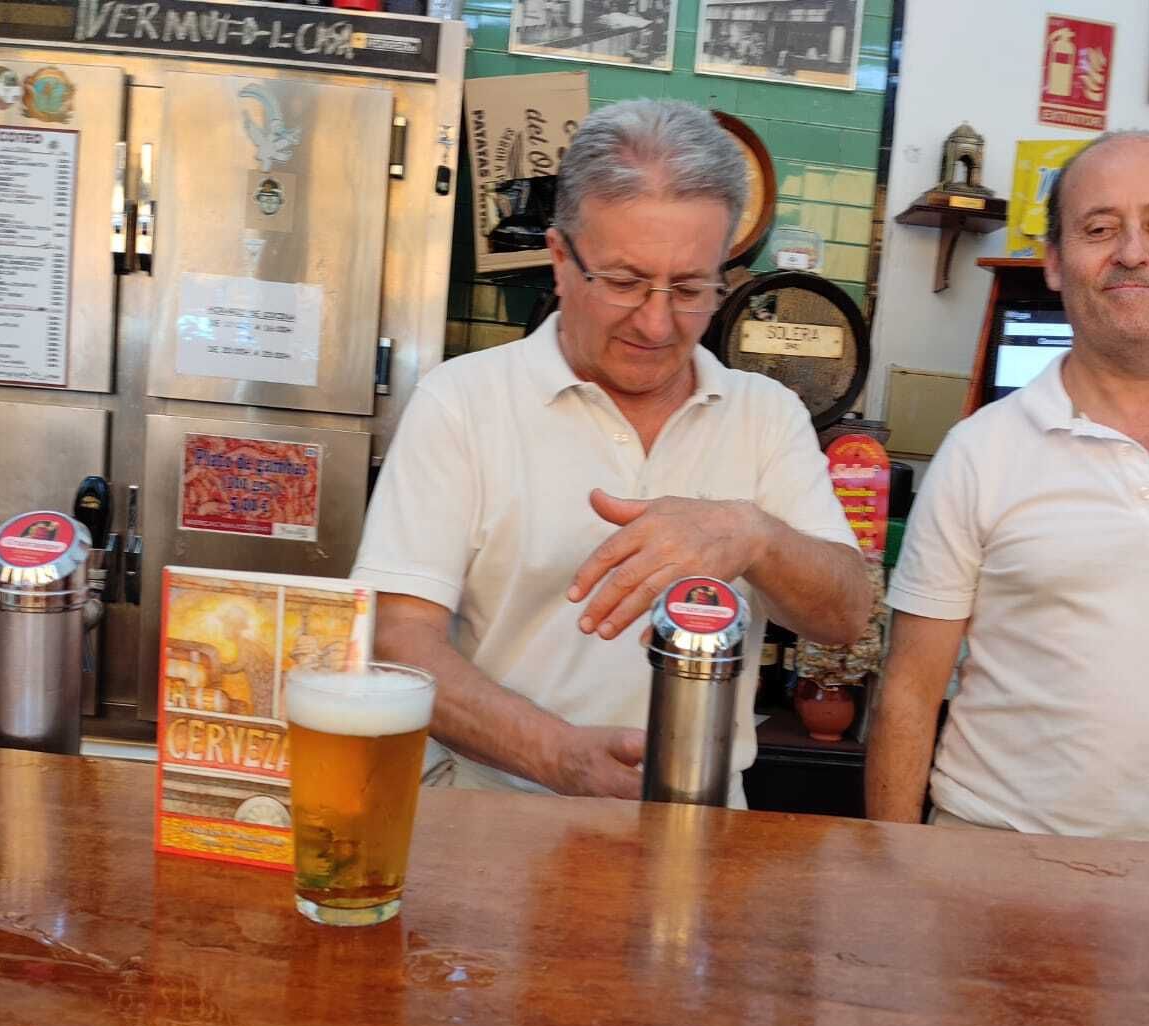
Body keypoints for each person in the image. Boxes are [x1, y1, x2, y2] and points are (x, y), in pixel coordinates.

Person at [352, 100, 870, 806]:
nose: (657, 323)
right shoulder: (463, 403)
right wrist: (560, 758)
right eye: (624, 283)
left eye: (691, 289)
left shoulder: (766, 415)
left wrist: (751, 533)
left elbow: (846, 614)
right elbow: (397, 640)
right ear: (561, 259)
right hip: (492, 815)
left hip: (702, 820)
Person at [865, 130, 1149, 847]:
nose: (1132, 252)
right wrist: (893, 872)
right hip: (990, 865)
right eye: (1099, 228)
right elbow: (909, 686)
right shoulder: (980, 450)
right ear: (1055, 262)